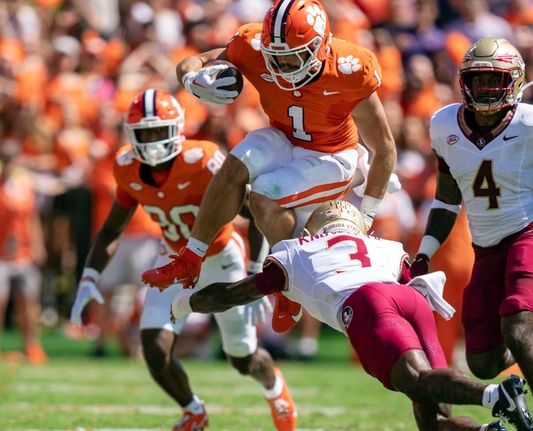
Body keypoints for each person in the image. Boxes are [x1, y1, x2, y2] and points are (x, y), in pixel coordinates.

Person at [171, 200, 526, 431]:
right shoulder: (385, 246)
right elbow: (407, 281)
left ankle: (495, 395)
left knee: (417, 381)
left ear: (314, 230)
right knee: (433, 418)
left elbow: (234, 294)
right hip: (410, 299)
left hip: (368, 303)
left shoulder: (299, 251)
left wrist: (186, 302)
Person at [141, 0, 398, 315]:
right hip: (284, 137)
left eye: (293, 59)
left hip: (332, 155)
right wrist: (194, 82)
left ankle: (290, 284)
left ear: (321, 48)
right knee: (237, 161)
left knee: (265, 193)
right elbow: (192, 62)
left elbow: (383, 147)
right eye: (276, 58)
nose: (283, 68)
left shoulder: (349, 69)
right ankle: (190, 258)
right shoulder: (252, 45)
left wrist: (368, 214)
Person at [69, 89, 297, 431]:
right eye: (144, 133)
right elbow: (112, 229)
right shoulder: (127, 166)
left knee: (241, 357)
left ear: (177, 129)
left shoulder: (204, 159)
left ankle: (274, 387)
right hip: (173, 260)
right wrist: (88, 277)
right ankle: (193, 410)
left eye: (159, 131)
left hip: (222, 259)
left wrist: (255, 269)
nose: (152, 140)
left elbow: (255, 213)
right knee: (154, 347)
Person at [410, 38, 533, 431]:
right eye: (477, 81)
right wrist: (425, 250)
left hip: (528, 234)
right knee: (482, 361)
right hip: (485, 248)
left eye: (493, 80)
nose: (484, 90)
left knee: (516, 331)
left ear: (514, 83)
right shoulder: (445, 125)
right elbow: (446, 202)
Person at [0, 139, 47, 365]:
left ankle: (31, 346)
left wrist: (38, 244)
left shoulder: (23, 185)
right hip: (1, 255)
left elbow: (32, 217)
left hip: (23, 252)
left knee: (28, 302)